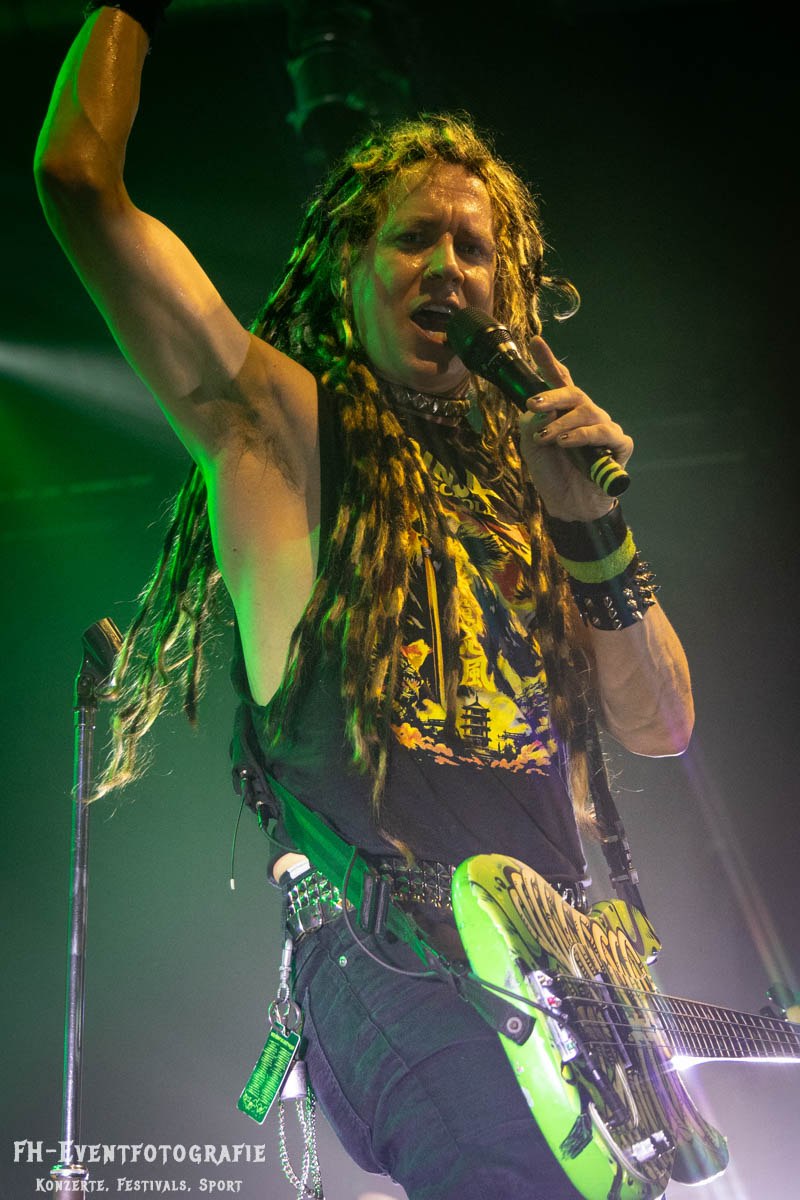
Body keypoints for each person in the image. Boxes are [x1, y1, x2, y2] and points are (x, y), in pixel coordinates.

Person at [35, 5, 694, 1197]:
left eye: (473, 248)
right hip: (392, 966)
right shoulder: (285, 433)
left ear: (510, 292)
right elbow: (80, 181)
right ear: (349, 269)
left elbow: (661, 725)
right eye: (411, 240)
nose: (445, 267)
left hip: (566, 996)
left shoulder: (532, 497)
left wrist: (589, 526)